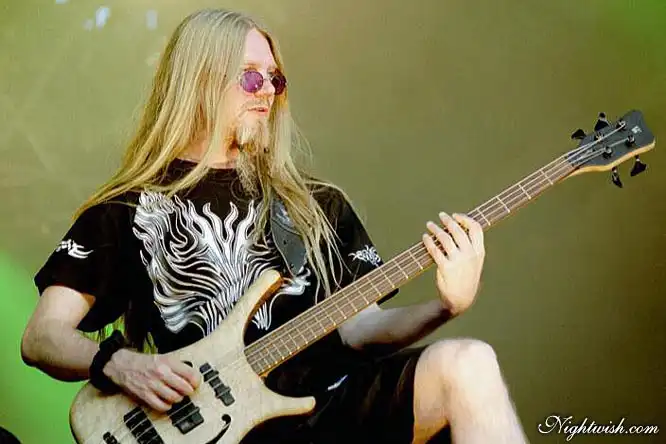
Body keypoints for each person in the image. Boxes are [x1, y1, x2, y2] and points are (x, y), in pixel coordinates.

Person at [21, 9, 528, 444]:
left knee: (469, 364)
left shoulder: (315, 203)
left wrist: (445, 306)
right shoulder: (125, 210)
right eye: (249, 77)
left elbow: (360, 328)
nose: (267, 92)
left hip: (329, 409)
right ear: (200, 81)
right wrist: (119, 364)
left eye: (275, 79)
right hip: (215, 428)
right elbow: (42, 337)